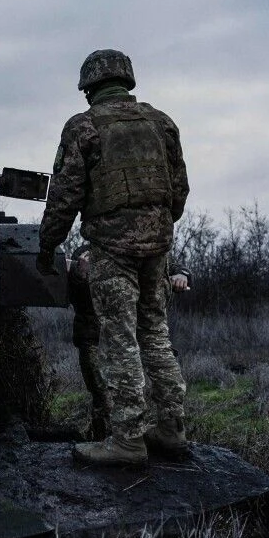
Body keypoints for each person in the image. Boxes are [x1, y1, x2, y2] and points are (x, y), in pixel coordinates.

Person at [36, 49, 190, 466]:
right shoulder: (161, 122)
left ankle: (126, 440)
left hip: (111, 250)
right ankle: (172, 429)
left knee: (118, 338)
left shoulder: (84, 126)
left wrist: (47, 246)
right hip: (157, 246)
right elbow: (180, 189)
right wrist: (156, 225)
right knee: (155, 333)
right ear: (127, 80)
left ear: (89, 87)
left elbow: (65, 196)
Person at [67, 244, 191, 440]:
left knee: (134, 393)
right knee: (105, 398)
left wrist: (182, 275)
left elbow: (172, 267)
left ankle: (136, 440)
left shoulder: (137, 249)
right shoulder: (84, 253)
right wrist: (81, 277)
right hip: (95, 339)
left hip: (133, 340)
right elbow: (76, 299)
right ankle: (106, 440)